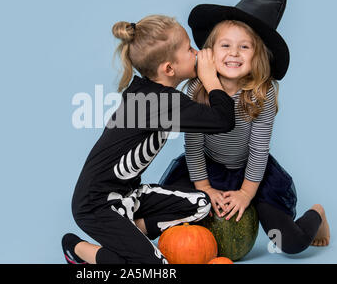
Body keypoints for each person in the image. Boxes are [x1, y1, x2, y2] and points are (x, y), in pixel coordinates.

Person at [160, 0, 330, 254]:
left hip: (252, 171)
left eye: (245, 47)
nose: (234, 53)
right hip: (207, 167)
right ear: (209, 52)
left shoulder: (263, 93)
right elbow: (194, 145)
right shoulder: (196, 90)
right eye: (225, 45)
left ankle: (318, 214)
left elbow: (258, 149)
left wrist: (246, 193)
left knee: (291, 242)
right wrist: (206, 189)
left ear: (258, 55)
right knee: (168, 212)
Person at [62, 14, 236, 264]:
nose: (197, 53)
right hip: (96, 206)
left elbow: (215, 119)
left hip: (129, 196)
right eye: (189, 49)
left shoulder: (154, 94)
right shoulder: (157, 103)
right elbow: (224, 120)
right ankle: (74, 246)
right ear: (168, 68)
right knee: (154, 268)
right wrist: (210, 78)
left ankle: (131, 236)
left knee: (201, 204)